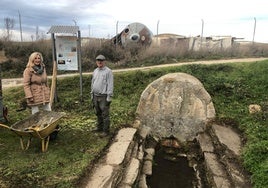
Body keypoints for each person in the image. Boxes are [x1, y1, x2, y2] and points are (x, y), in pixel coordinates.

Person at [91, 54, 114, 137]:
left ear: (104, 62)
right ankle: (99, 128)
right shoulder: (95, 71)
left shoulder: (108, 71)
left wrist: (109, 97)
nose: (99, 62)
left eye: (101, 60)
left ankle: (106, 131)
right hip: (95, 95)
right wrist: (91, 94)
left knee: (105, 114)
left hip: (103, 96)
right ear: (96, 62)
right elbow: (92, 83)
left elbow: (110, 85)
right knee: (98, 113)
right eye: (98, 60)